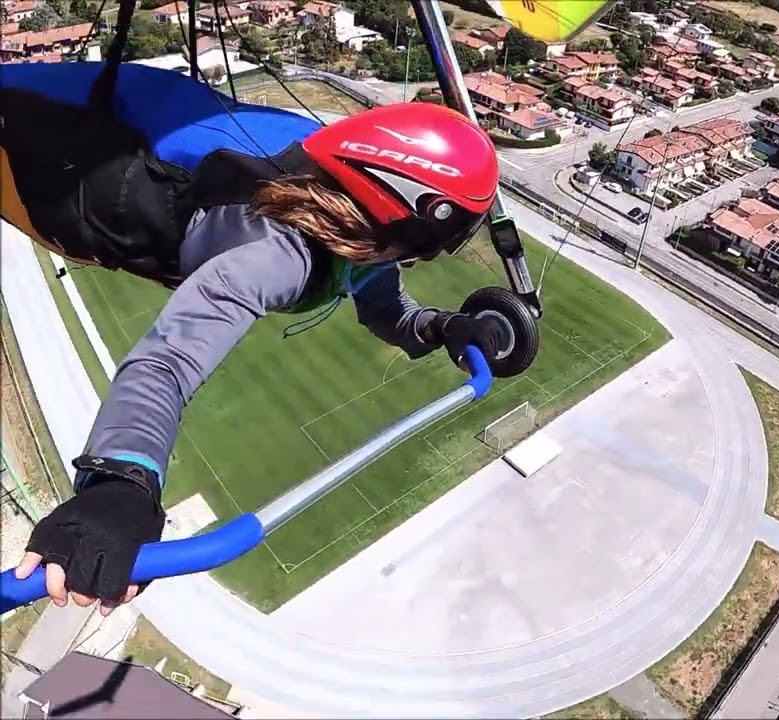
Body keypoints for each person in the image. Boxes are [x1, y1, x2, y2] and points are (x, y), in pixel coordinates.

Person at [1, 61, 509, 615]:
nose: (418, 259)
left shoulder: (350, 221)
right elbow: (165, 363)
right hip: (43, 139)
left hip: (122, 102)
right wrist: (120, 486)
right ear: (389, 214)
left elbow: (387, 306)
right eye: (424, 244)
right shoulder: (277, 256)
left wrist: (443, 327)